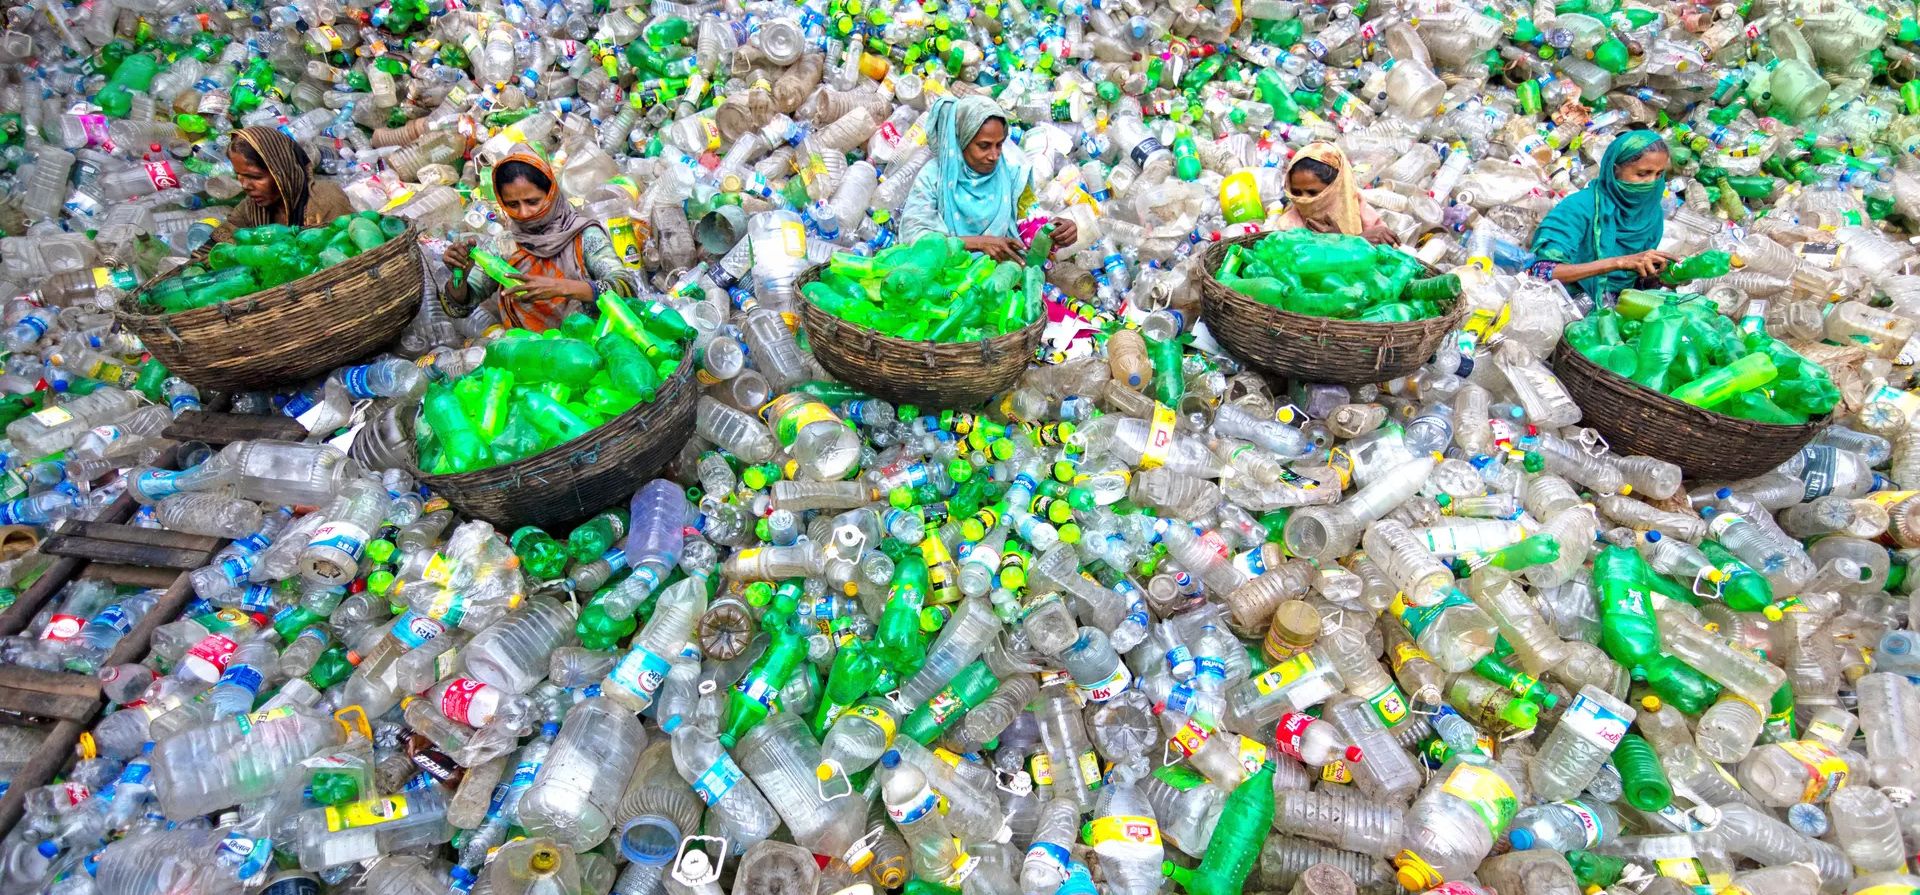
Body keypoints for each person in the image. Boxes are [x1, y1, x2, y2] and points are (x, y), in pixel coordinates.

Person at [442, 153, 634, 333]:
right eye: (513, 205)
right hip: (529, 356)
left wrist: (562, 288)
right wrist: (459, 276)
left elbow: (626, 288)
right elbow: (459, 309)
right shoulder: (505, 246)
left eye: (532, 201)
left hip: (589, 351)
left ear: (551, 193)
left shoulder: (584, 236)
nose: (524, 213)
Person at [899, 94, 1076, 261]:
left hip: (1000, 278)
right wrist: (977, 243)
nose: (994, 155)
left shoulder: (1012, 174)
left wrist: (1055, 230)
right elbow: (915, 237)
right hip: (946, 278)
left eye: (999, 145)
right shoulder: (934, 177)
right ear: (962, 141)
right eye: (984, 146)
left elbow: (1028, 220)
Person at [1530, 129, 1674, 304]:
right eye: (1643, 174)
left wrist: (1661, 277)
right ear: (1615, 171)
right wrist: (1618, 262)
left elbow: (1635, 283)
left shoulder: (1651, 214)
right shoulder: (1580, 207)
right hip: (1565, 303)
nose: (1651, 182)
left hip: (1616, 310)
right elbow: (1541, 270)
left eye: (1659, 174)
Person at [193, 126, 353, 261]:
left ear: (282, 172)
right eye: (239, 176)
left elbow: (347, 254)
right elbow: (215, 247)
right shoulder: (250, 208)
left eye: (255, 177)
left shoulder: (325, 199)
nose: (245, 186)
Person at [1276, 142, 1396, 244]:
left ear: (1337, 189)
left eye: (1312, 193)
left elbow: (1389, 260)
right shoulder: (1288, 227)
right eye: (1296, 192)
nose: (1304, 199)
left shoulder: (1360, 211)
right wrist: (1342, 241)